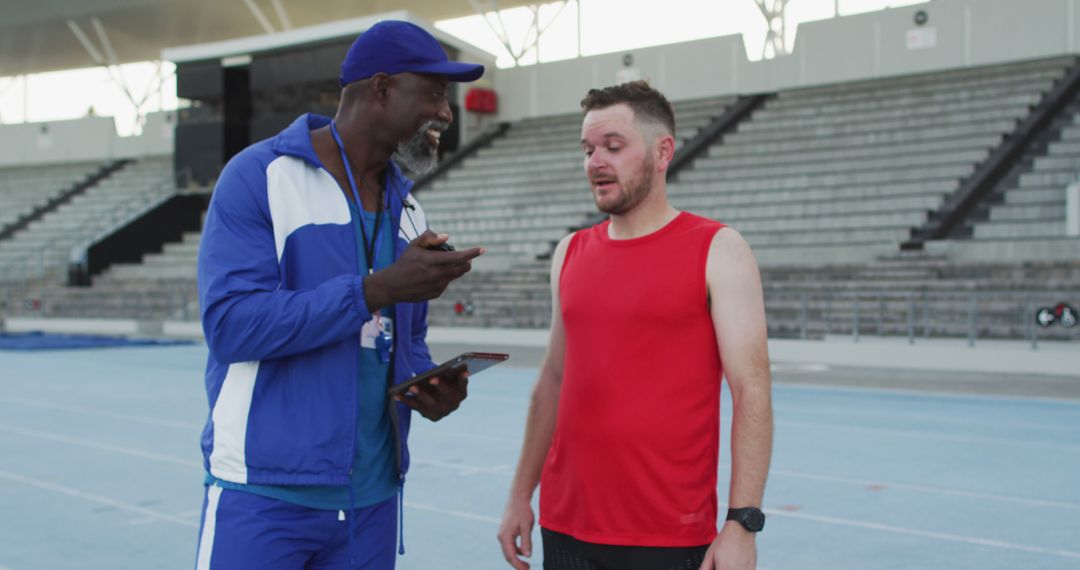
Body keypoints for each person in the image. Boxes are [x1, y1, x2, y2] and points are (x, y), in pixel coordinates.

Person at [194, 20, 486, 570]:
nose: (446, 113)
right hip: (264, 498)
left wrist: (428, 388)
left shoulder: (409, 210)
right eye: (433, 94)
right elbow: (231, 326)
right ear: (380, 89)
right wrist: (375, 290)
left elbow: (407, 338)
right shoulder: (259, 177)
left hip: (372, 503)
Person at [497, 81, 774, 570]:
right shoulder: (568, 253)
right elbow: (552, 382)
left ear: (662, 151)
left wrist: (741, 522)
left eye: (613, 147)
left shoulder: (718, 249)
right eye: (587, 149)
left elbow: (751, 389)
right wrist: (521, 493)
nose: (595, 161)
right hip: (567, 529)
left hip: (668, 535)